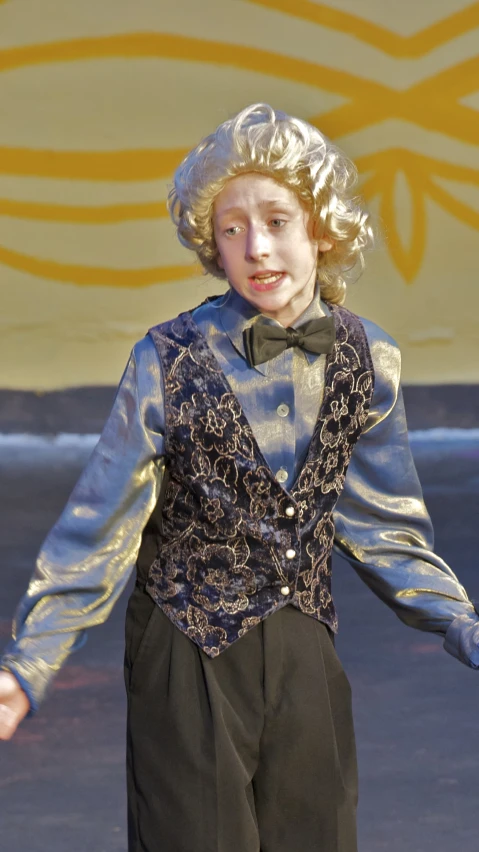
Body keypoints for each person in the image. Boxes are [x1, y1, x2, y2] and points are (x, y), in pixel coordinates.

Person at [1, 102, 478, 852]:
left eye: (278, 221)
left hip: (302, 648)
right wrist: (28, 666)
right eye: (232, 229)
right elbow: (98, 527)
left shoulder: (367, 359)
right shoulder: (166, 359)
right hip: (187, 650)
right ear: (211, 244)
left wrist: (461, 624)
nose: (256, 247)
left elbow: (384, 526)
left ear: (318, 225)